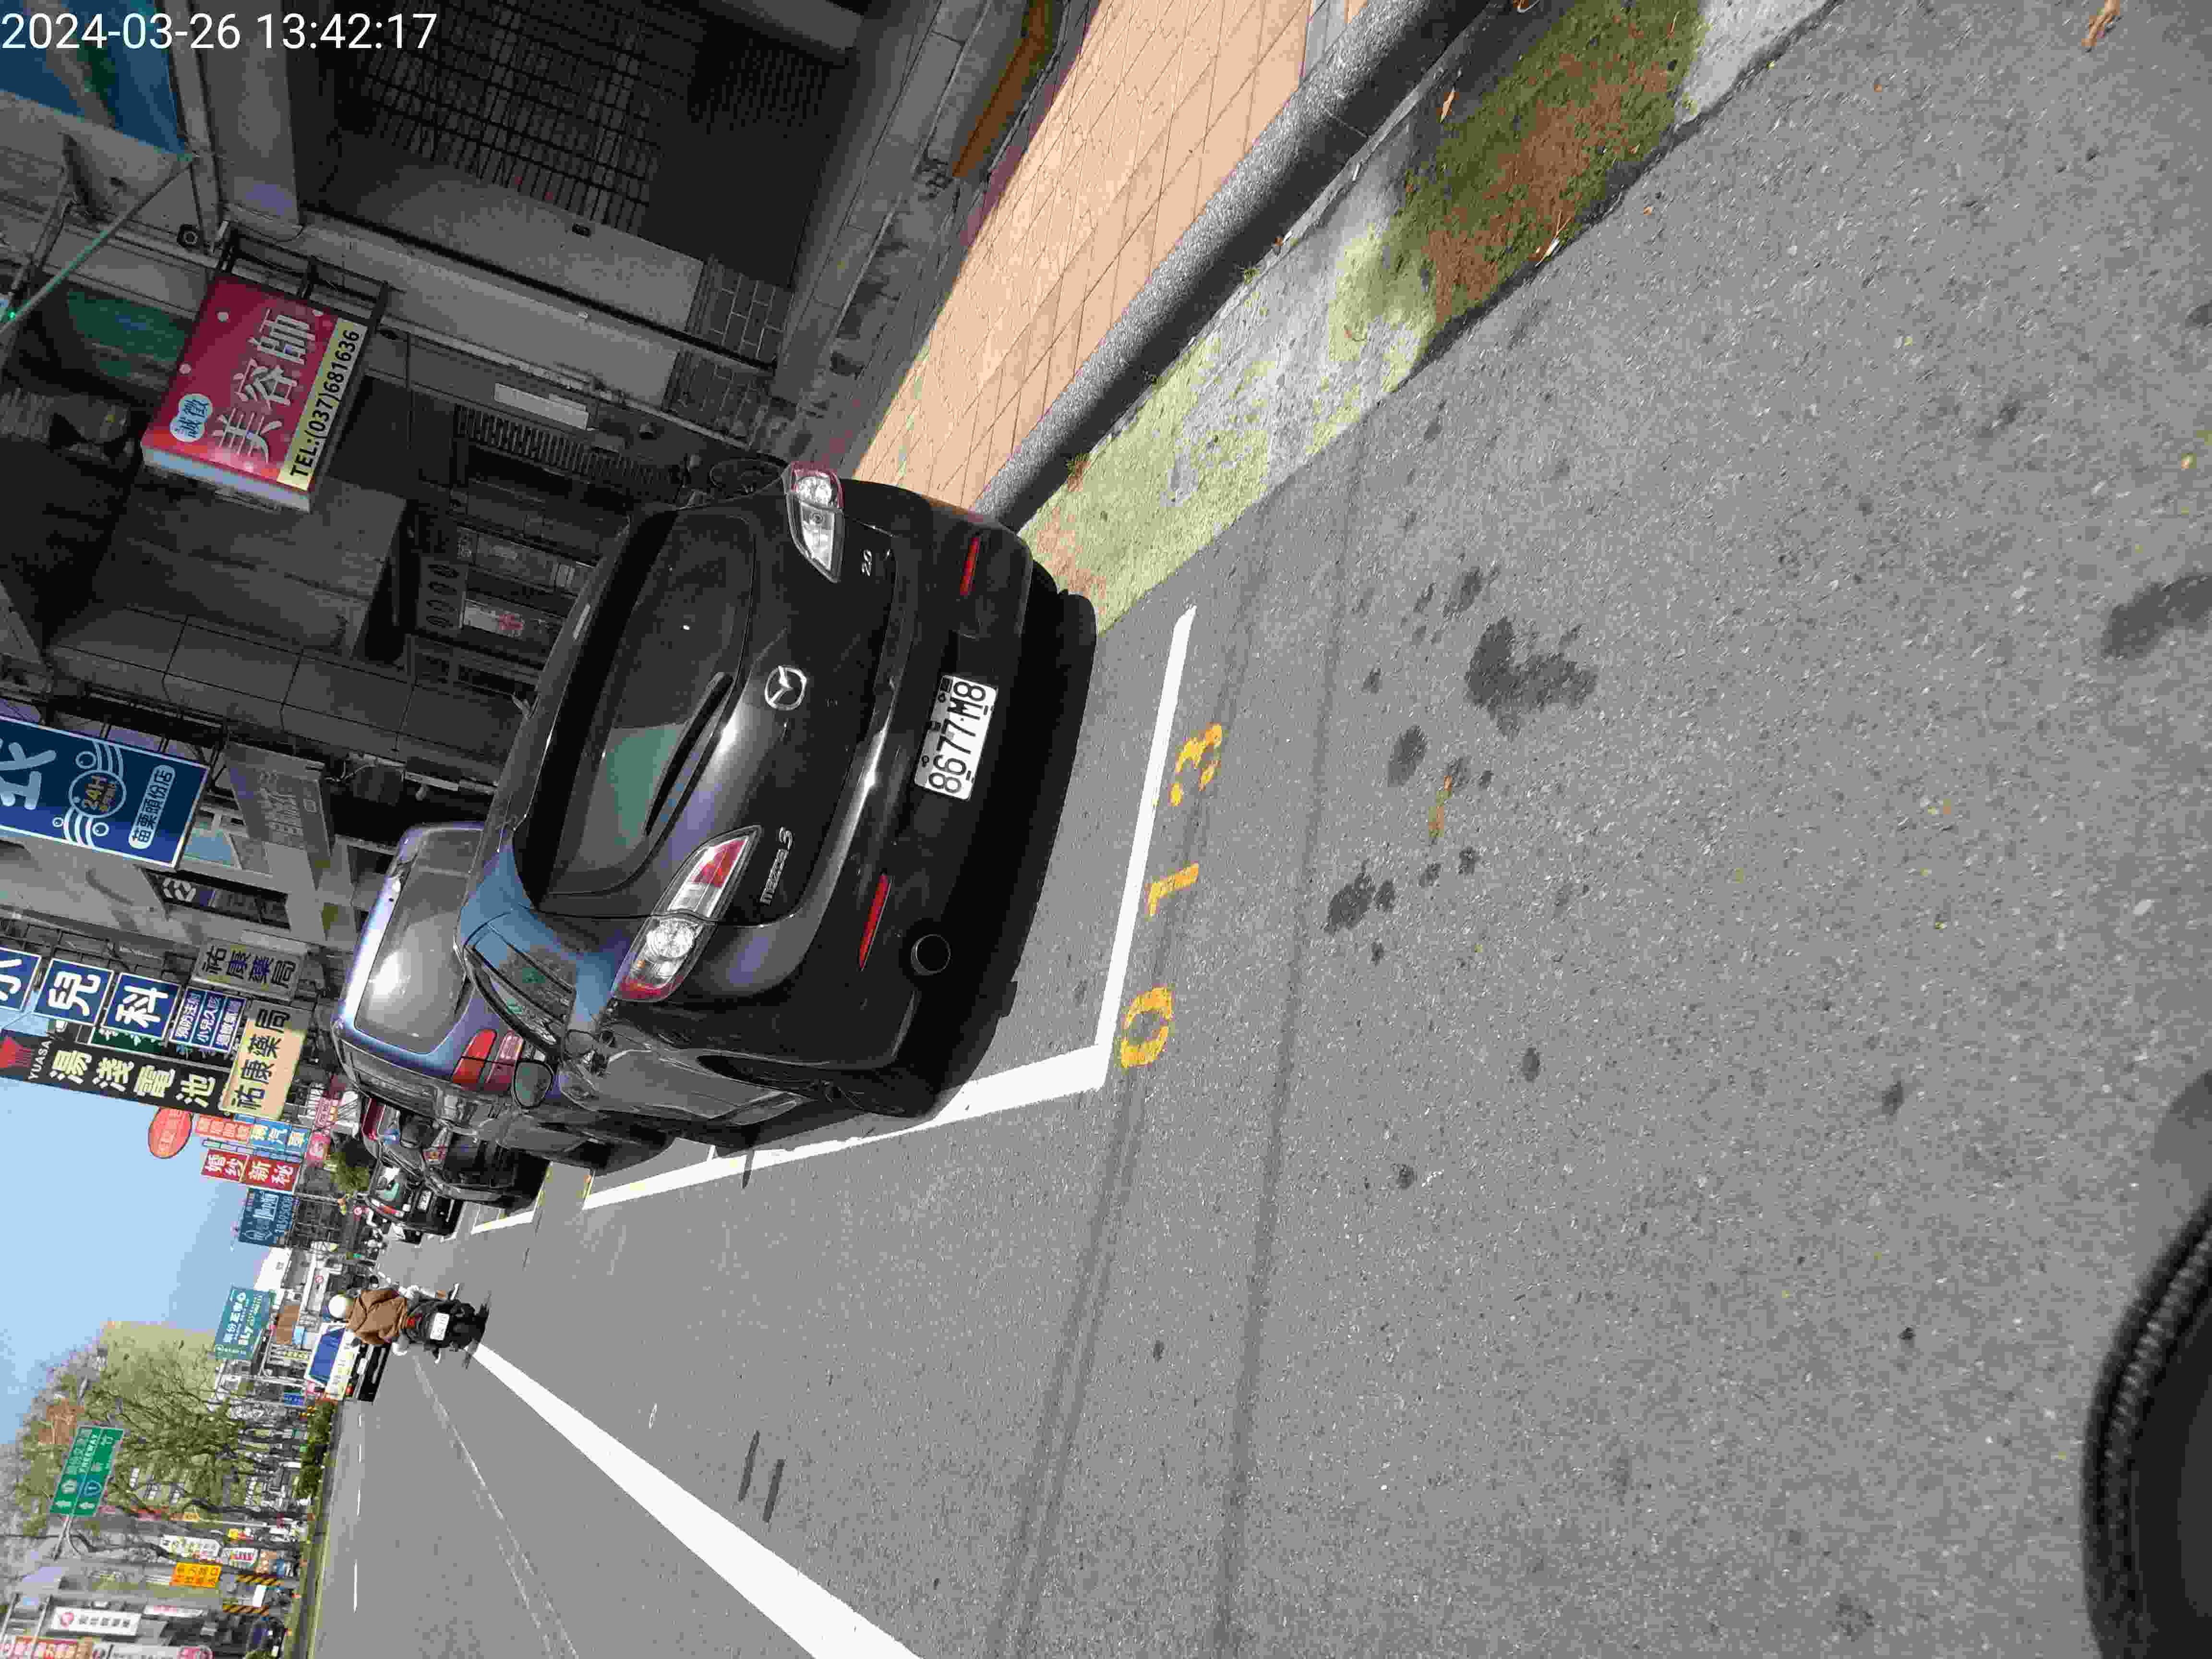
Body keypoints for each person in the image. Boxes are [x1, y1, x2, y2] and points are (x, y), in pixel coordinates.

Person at [328, 1285, 428, 1349]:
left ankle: (427, 1344)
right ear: (348, 1298)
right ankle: (438, 1298)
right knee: (415, 1289)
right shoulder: (366, 1298)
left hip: (401, 1333)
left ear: (344, 1317)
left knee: (398, 1350)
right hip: (407, 1308)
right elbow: (389, 1292)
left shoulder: (358, 1332)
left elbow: (378, 1343)